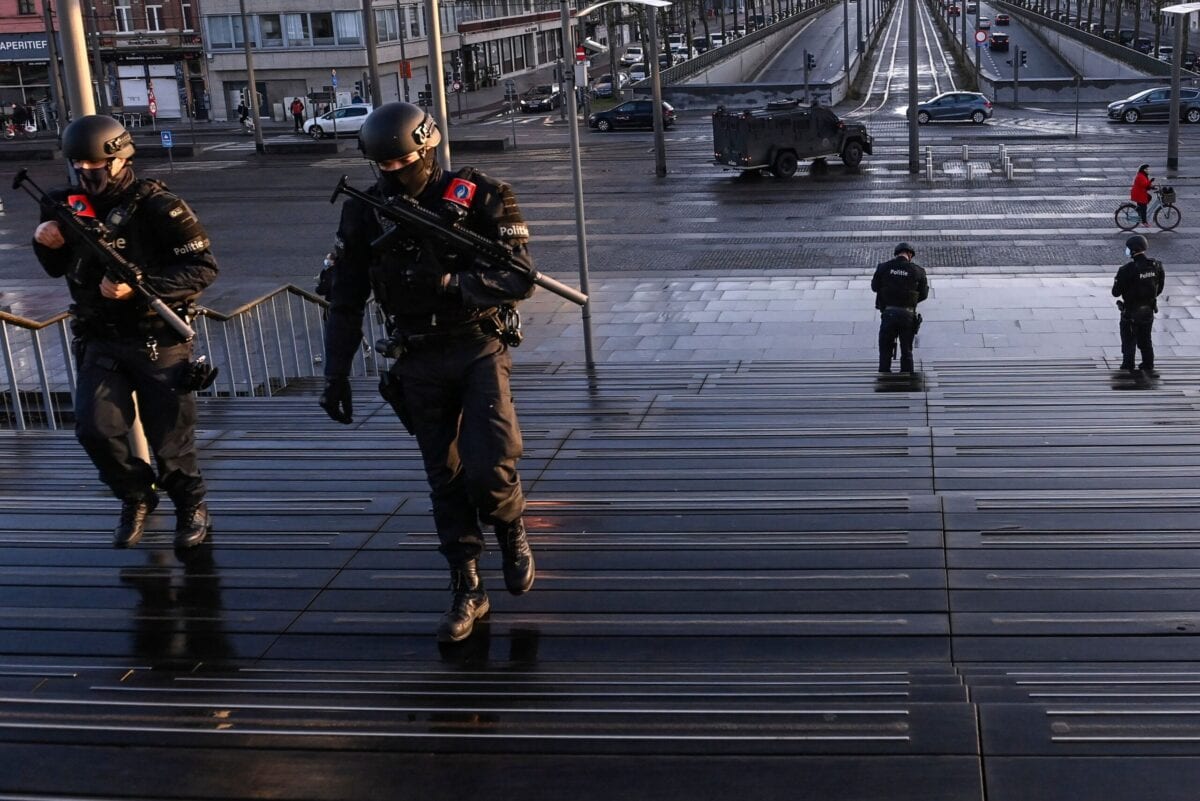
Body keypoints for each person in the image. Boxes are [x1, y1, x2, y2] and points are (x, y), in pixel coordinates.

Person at [318, 102, 537, 643]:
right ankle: (467, 585)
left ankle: (510, 527)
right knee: (445, 478)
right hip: (415, 353)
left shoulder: (483, 193)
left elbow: (520, 276)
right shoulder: (365, 211)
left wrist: (450, 285)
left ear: (428, 149)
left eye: (402, 162)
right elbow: (345, 298)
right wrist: (335, 374)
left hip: (476, 343)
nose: (392, 174)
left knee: (491, 464)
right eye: (382, 166)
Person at [30, 115, 218, 550]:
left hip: (159, 338)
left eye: (96, 164)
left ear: (120, 158)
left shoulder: (158, 205)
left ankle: (191, 505)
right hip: (100, 336)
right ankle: (136, 494)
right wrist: (45, 242)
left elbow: (204, 267)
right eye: (79, 164)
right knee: (94, 429)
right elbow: (58, 269)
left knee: (170, 437)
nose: (87, 172)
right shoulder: (64, 203)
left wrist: (140, 287)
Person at [872, 242, 929, 374]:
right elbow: (924, 294)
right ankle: (907, 379)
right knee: (907, 351)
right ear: (910, 255)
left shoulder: (883, 267)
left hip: (888, 313)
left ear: (897, 253)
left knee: (885, 350)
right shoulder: (918, 271)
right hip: (907, 315)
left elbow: (875, 287)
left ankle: (884, 378)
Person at [1112, 233, 1165, 374]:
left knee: (1129, 341)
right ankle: (1148, 364)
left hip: (1130, 312)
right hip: (1148, 310)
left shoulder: (1126, 270)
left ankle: (1128, 365)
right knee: (1146, 340)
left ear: (1133, 250)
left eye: (1128, 248)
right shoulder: (1156, 266)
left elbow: (1116, 292)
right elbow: (1159, 288)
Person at [1131, 163, 1154, 228]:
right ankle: (1144, 222)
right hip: (1139, 194)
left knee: (1149, 197)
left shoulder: (1143, 175)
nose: (1147, 170)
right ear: (1143, 170)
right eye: (1146, 169)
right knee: (1144, 208)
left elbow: (1146, 184)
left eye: (1148, 169)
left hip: (1140, 193)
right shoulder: (1141, 176)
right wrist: (1150, 182)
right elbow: (1145, 185)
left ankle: (1140, 210)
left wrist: (1152, 186)